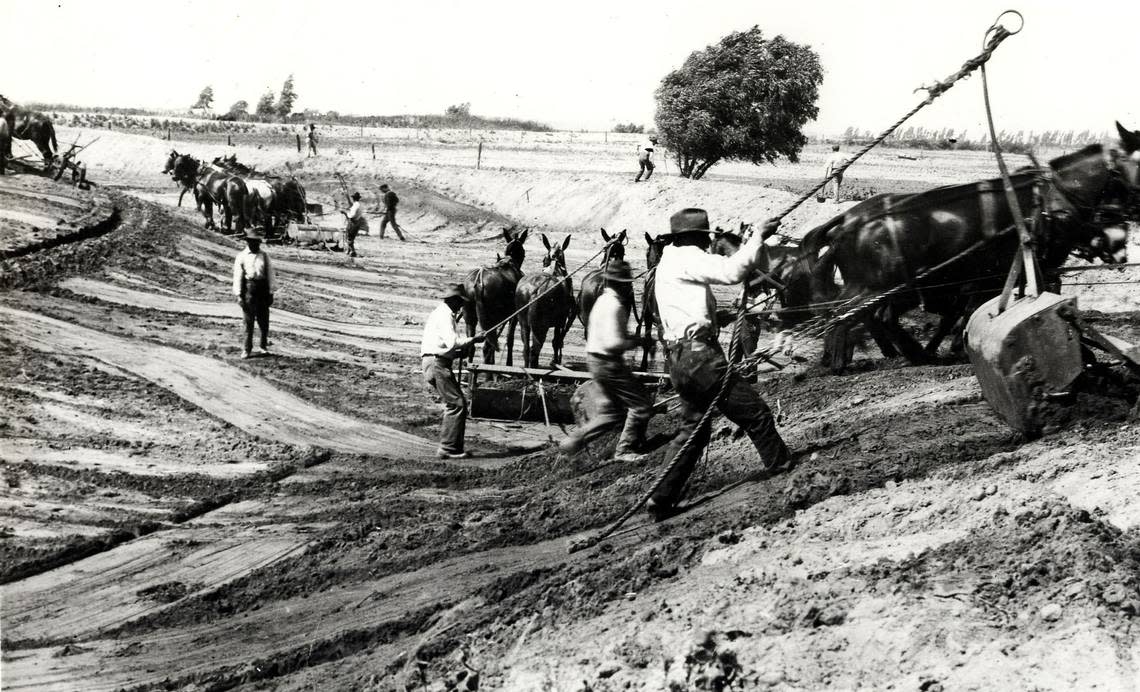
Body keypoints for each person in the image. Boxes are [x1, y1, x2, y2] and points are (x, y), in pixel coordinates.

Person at [648, 208, 792, 519]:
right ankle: (784, 472)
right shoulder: (689, 256)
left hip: (679, 360)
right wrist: (757, 236)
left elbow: (685, 309)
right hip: (701, 359)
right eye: (704, 238)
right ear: (696, 237)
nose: (705, 244)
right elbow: (732, 273)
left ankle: (660, 498)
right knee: (756, 414)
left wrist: (716, 318)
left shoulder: (669, 261)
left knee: (693, 432)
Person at [559, 260, 653, 463]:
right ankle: (625, 449)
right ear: (623, 284)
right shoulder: (616, 306)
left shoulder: (601, 301)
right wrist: (637, 341)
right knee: (641, 405)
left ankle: (574, 441)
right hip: (609, 363)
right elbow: (613, 343)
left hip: (594, 360)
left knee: (611, 412)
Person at [422, 284, 484, 459]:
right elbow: (453, 342)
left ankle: (451, 448)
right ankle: (448, 449)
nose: (462, 307)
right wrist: (474, 339)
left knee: (455, 403)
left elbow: (443, 345)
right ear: (454, 300)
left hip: (435, 362)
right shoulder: (445, 316)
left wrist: (457, 353)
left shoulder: (439, 313)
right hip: (437, 364)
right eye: (461, 303)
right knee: (456, 404)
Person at [232, 229, 277, 359]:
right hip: (249, 290)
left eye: (257, 242)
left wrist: (271, 292)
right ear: (248, 242)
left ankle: (263, 346)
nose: (255, 245)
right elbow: (237, 276)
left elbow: (270, 274)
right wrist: (239, 295)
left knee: (264, 320)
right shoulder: (242, 256)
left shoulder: (264, 256)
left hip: (262, 290)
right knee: (248, 321)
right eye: (253, 242)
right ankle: (247, 349)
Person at [342, 191, 367, 258]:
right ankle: (349, 250)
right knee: (351, 238)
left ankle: (352, 251)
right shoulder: (359, 205)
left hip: (353, 223)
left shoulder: (355, 205)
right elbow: (352, 207)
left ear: (354, 198)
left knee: (349, 238)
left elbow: (351, 215)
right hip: (357, 223)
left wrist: (345, 213)